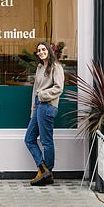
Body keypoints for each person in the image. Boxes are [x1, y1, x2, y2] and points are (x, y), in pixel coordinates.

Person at [24, 41, 64, 186]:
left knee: (47, 141)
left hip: (48, 106)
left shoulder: (56, 67)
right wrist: (33, 109)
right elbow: (35, 89)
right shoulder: (40, 67)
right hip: (38, 107)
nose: (41, 52)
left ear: (49, 50)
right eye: (39, 50)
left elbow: (59, 88)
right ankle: (43, 170)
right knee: (29, 139)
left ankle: (48, 173)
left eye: (43, 49)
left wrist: (43, 95)